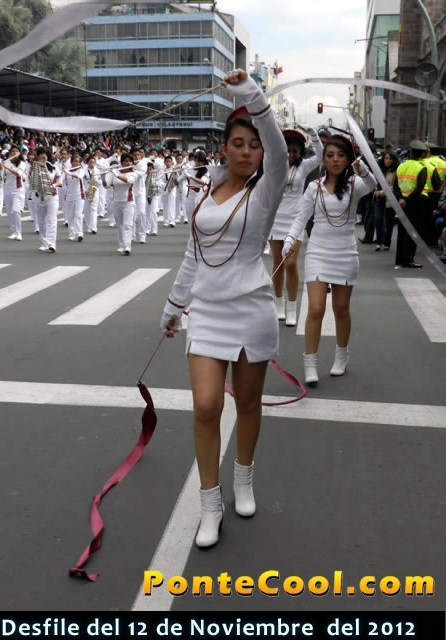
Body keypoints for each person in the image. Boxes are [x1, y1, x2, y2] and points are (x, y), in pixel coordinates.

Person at [160, 71, 288, 548]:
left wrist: (250, 93)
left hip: (252, 310)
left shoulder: (267, 189)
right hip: (207, 314)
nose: (246, 151)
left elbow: (279, 150)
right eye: (238, 143)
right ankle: (210, 506)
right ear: (224, 148)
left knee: (249, 404)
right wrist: (174, 305)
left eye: (253, 145)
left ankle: (244, 479)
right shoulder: (204, 194)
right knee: (207, 406)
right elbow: (193, 255)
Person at [282, 135, 376, 385]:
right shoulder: (314, 187)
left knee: (341, 309)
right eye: (330, 155)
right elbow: (301, 218)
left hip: (345, 253)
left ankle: (341, 356)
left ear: (348, 159)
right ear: (323, 159)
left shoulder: (355, 184)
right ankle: (310, 364)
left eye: (341, 155)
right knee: (315, 308)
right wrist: (290, 239)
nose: (335, 160)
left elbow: (372, 184)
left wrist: (362, 168)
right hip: (318, 252)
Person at [269, 128, 323, 325]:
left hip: (295, 220)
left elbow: (321, 155)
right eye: (288, 150)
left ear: (300, 152)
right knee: (278, 263)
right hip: (275, 219)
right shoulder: (273, 164)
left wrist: (315, 137)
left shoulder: (304, 166)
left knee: (290, 264)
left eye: (295, 151)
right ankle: (279, 303)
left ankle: (292, 307)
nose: (291, 154)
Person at [394, 140, 428, 269]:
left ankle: (399, 259)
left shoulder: (401, 166)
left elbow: (396, 186)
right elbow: (419, 188)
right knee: (413, 232)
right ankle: (408, 259)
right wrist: (407, 200)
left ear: (411, 153)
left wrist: (401, 198)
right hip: (415, 203)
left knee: (402, 231)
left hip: (401, 203)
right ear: (423, 154)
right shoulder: (421, 168)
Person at [30, 148, 62, 253]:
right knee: (41, 220)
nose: (42, 160)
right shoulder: (34, 169)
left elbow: (60, 181)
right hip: (39, 196)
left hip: (52, 196)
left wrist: (54, 185)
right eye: (40, 158)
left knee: (52, 219)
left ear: (47, 157)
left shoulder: (54, 167)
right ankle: (44, 243)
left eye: (44, 158)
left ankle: (52, 243)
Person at [373, 151, 399, 251]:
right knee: (378, 219)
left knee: (389, 222)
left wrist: (382, 192)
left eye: (390, 159)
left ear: (393, 160)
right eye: (385, 158)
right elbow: (374, 182)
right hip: (378, 198)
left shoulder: (396, 171)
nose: (387, 161)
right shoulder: (379, 169)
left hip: (390, 198)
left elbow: (395, 187)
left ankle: (387, 242)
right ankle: (379, 241)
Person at [3, 146, 26, 241]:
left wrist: (6, 167)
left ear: (19, 153)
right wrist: (1, 167)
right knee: (9, 212)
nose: (15, 153)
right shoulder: (6, 162)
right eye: (13, 151)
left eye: (17, 151)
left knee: (16, 210)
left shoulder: (22, 163)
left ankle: (19, 232)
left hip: (18, 189)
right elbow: (2, 175)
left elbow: (19, 173)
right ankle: (14, 231)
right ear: (10, 153)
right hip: (7, 189)